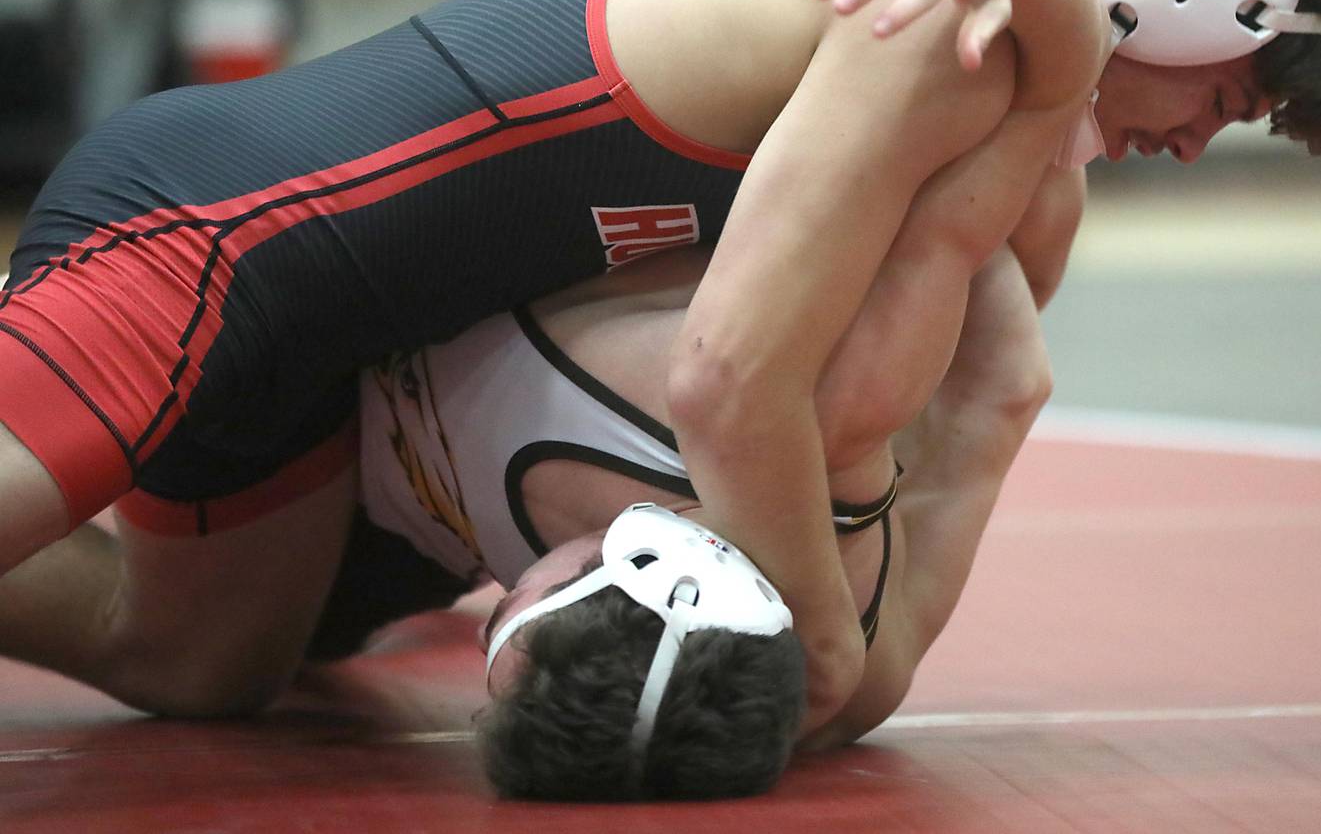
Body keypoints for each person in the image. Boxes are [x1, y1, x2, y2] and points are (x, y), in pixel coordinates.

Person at [0, 0, 1321, 732]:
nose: (1205, 134)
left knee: (200, 665)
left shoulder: (995, 84)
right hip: (205, 239)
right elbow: (735, 378)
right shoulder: (943, 18)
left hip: (345, 343)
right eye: (1236, 93)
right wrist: (824, 644)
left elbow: (897, 410)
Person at [0, 242, 1051, 801]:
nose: (501, 593)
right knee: (190, 655)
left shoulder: (847, 678)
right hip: (306, 306)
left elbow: (1011, 389)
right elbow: (997, 371)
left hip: (373, 500)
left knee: (227, 667)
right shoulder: (773, 397)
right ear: (613, 556)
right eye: (519, 613)